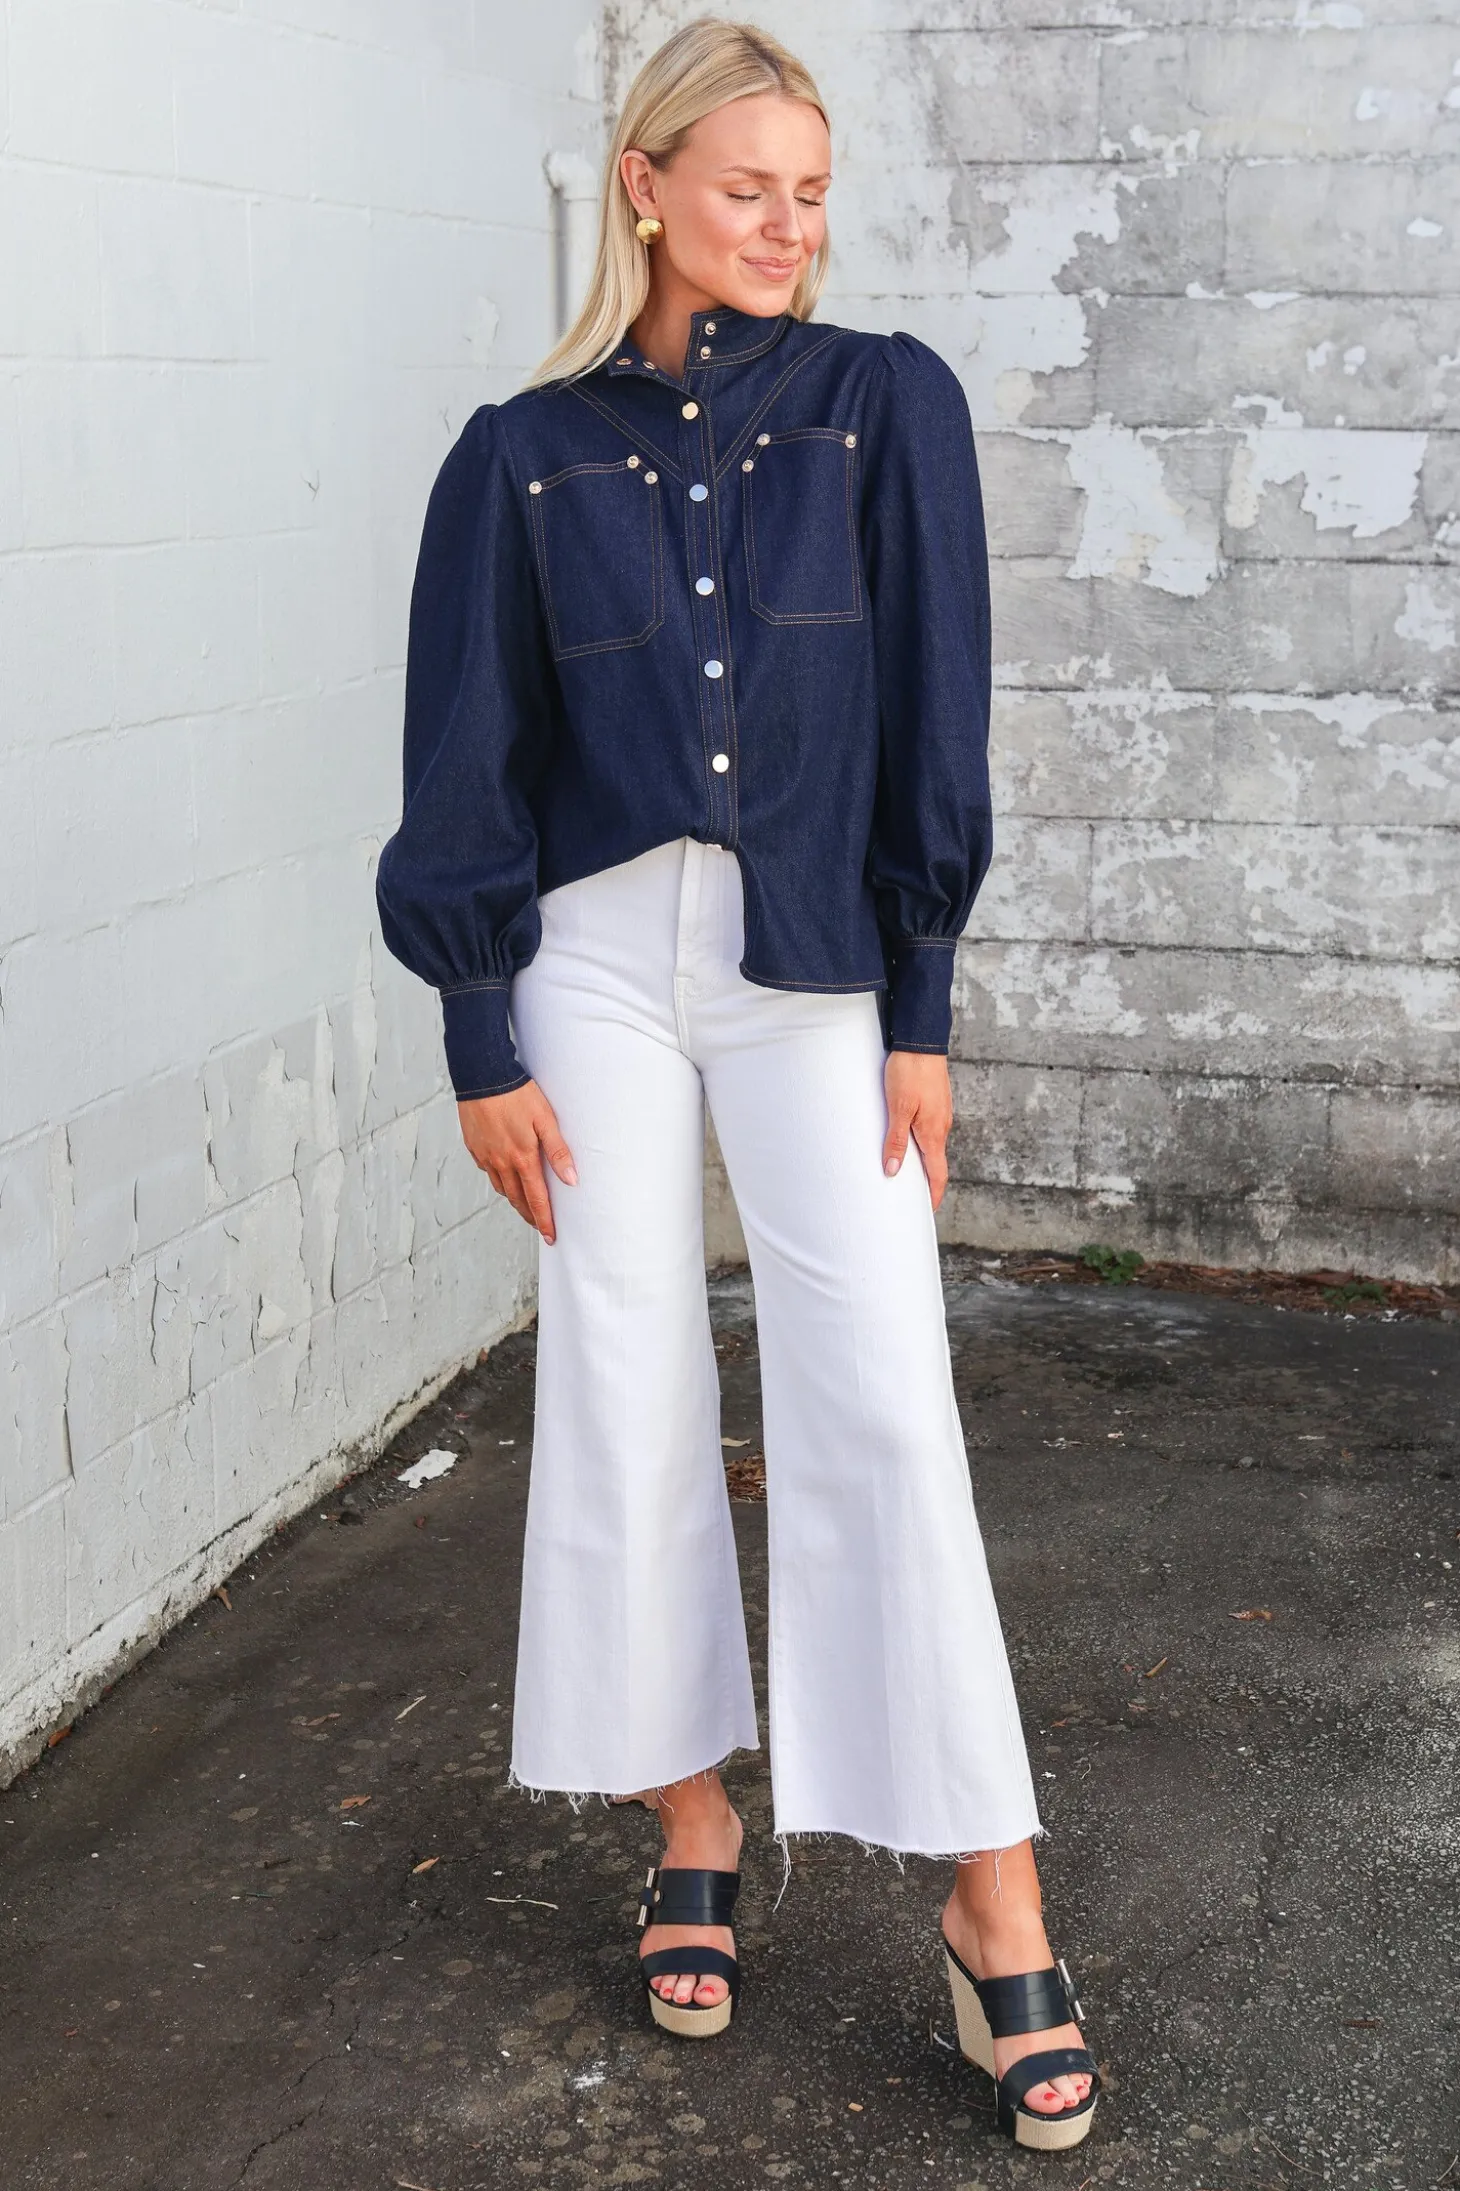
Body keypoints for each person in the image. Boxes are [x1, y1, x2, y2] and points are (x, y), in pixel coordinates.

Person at [376, 16, 1100, 2154]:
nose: (785, 226)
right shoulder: (520, 455)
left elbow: (935, 710)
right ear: (646, 187)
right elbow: (465, 751)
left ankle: (990, 1891)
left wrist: (920, 1004)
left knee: (877, 1383)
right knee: (621, 1370)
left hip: (815, 962)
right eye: (744, 187)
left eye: (809, 191)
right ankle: (688, 1813)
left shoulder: (885, 405)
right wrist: (478, 1030)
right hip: (590, 961)